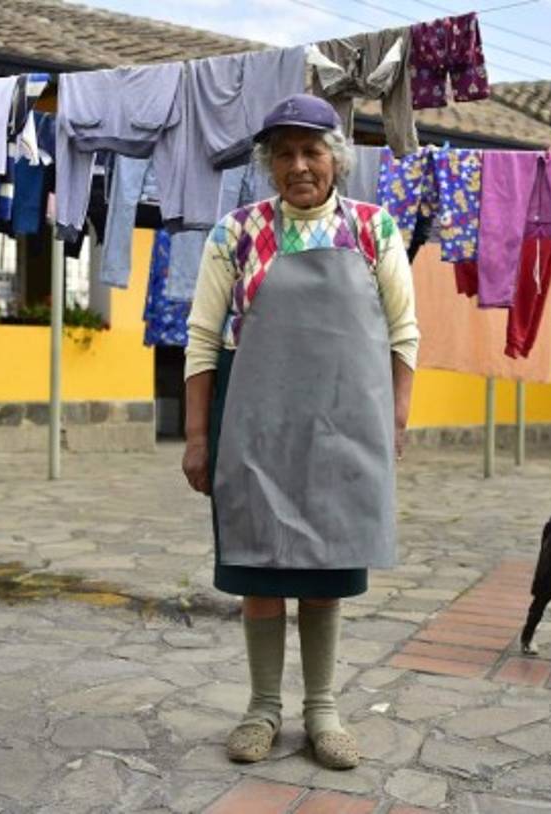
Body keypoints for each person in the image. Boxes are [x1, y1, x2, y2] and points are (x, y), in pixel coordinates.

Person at [181, 94, 418, 770]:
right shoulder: (235, 233)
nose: (299, 165)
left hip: (342, 425)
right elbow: (202, 340)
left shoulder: (375, 231)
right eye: (283, 154)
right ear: (269, 165)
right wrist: (198, 435)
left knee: (324, 570)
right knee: (260, 566)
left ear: (335, 157)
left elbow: (403, 335)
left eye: (311, 150)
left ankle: (322, 711)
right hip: (253, 421)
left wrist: (393, 422)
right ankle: (261, 709)